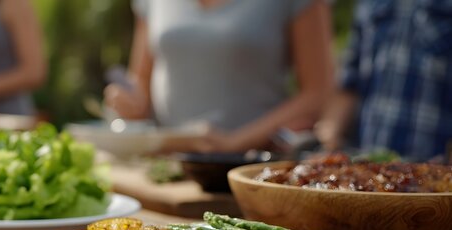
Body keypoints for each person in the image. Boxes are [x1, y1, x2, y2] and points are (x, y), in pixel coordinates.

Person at [104, 0, 335, 153]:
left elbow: (318, 94)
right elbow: (141, 82)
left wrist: (234, 143)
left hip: (252, 168)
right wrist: (130, 103)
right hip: (165, 169)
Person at [314, 0, 452, 162]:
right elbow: (349, 85)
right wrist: (328, 137)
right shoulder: (368, 4)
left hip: (435, 167)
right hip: (369, 163)